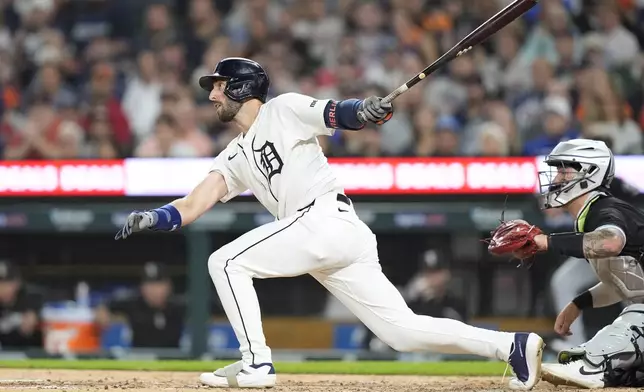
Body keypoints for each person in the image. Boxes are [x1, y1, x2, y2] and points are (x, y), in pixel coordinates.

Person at [115, 57, 544, 390]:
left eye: (219, 87)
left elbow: (338, 113)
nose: (212, 96)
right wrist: (156, 216)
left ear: (243, 88)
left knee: (226, 263)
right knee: (401, 332)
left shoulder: (282, 109)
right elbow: (193, 204)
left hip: (324, 218)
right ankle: (510, 345)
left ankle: (256, 361)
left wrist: (368, 110)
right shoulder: (234, 153)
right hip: (324, 235)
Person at [517, 139, 644, 388]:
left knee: (636, 316)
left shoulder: (604, 209)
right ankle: (605, 363)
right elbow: (628, 284)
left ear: (590, 173)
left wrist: (546, 241)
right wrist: (579, 303)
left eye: (564, 171)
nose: (556, 179)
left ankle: (593, 362)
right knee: (626, 373)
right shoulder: (590, 215)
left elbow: (611, 242)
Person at [95, 262, 185, 348]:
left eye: (158, 285)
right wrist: (103, 315)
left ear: (169, 286)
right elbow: (103, 307)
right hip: (140, 360)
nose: (153, 290)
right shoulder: (133, 303)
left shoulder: (178, 306)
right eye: (149, 285)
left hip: (173, 360)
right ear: (142, 288)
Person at [0, 260, 43, 349]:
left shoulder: (32, 298)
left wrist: (36, 317)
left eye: (8, 283)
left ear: (18, 283)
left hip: (28, 354)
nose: (3, 288)